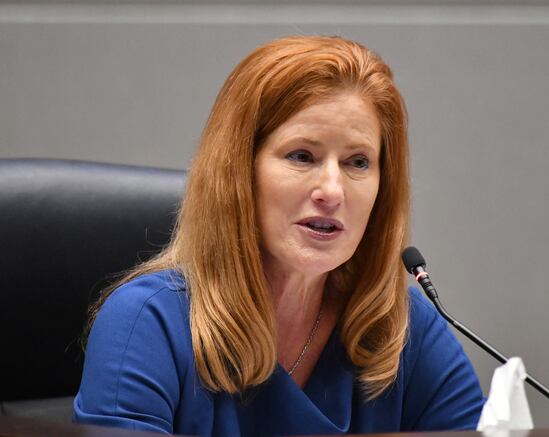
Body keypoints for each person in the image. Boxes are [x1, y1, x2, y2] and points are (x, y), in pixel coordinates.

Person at [73, 35, 484, 436]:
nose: (332, 191)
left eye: (358, 162)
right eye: (302, 156)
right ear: (237, 173)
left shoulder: (401, 322)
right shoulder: (146, 323)